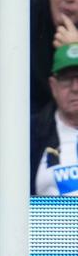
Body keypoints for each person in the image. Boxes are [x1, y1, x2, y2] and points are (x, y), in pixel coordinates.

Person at [33, 43, 78, 195]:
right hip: (48, 210)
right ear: (53, 86)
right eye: (67, 79)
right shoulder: (30, 133)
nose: (75, 88)